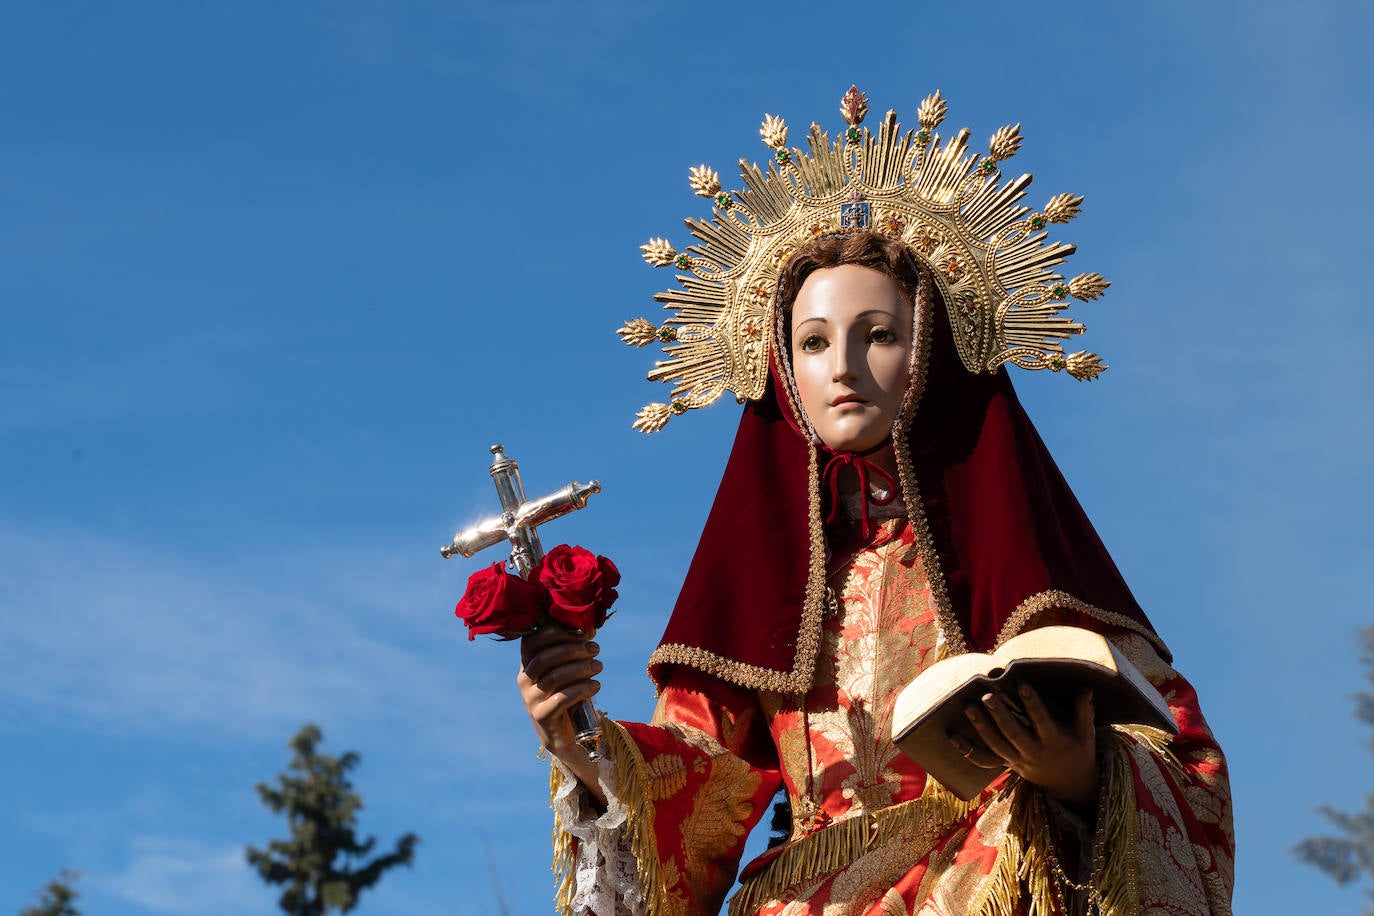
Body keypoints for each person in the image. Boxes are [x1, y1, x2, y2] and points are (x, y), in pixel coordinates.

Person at [516, 91, 1234, 915]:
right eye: (814, 342)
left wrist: (1079, 777)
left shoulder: (1025, 555)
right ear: (781, 369)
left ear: (933, 350)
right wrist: (581, 743)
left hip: (988, 879)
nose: (843, 367)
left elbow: (1182, 761)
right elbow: (697, 775)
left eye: (879, 335)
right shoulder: (770, 575)